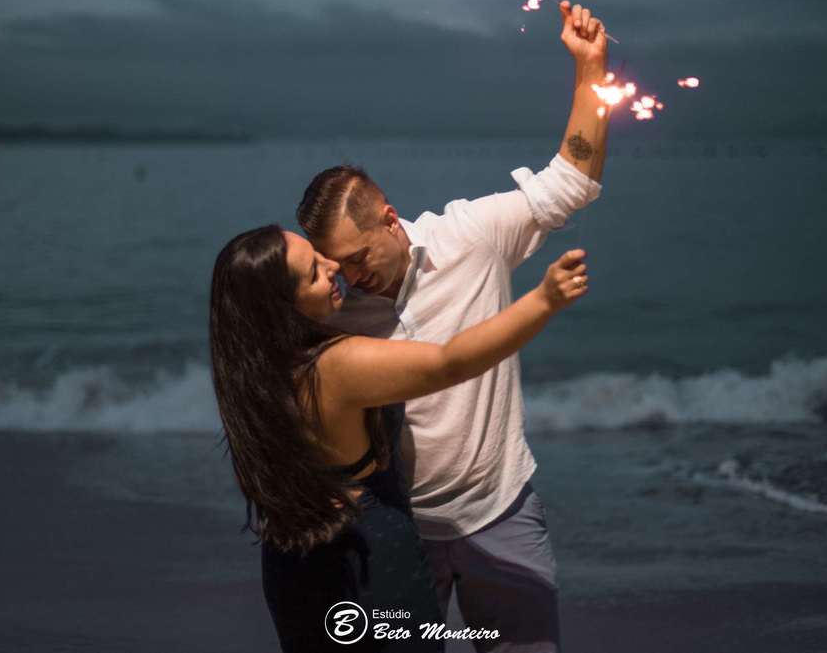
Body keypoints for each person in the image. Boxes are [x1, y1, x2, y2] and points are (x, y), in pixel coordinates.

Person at [295, 1, 611, 652]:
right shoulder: (328, 297)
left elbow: (572, 181)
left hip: (500, 509)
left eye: (358, 260)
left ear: (389, 217)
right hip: (394, 528)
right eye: (336, 266)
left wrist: (589, 68)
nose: (350, 278)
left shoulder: (471, 235)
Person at [208, 223, 589, 652]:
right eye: (315, 272)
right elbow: (449, 363)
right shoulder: (336, 368)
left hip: (294, 567)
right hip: (370, 565)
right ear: (285, 306)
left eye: (318, 254)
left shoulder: (250, 374)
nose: (334, 266)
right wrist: (543, 300)